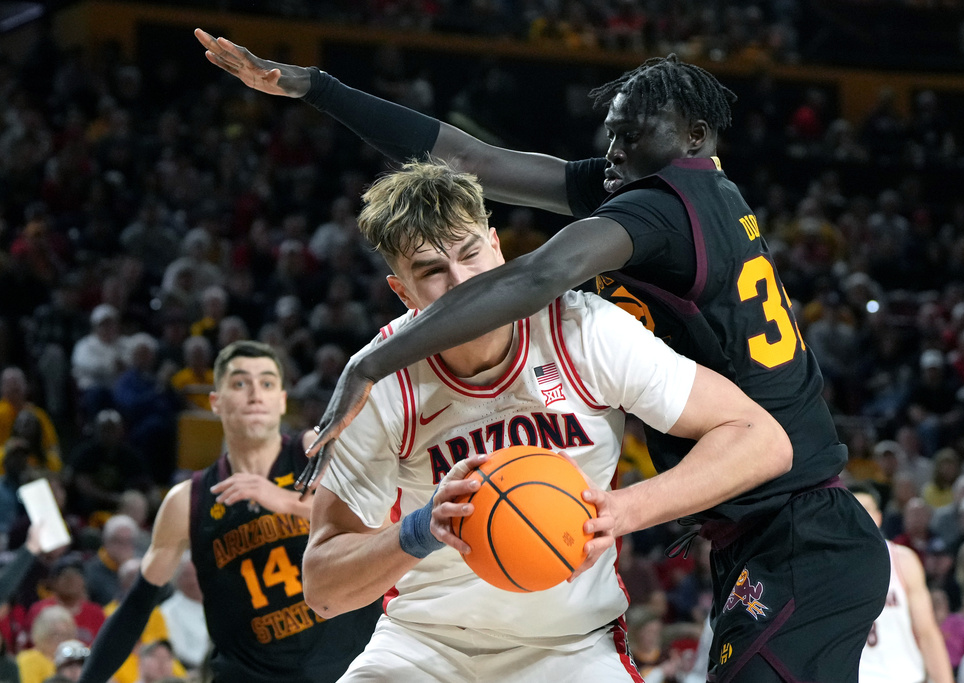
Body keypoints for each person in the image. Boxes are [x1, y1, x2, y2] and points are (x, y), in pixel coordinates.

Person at [196, 30, 889, 682]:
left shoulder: (658, 215)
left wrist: (368, 362)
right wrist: (315, 87)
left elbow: (535, 279)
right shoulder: (655, 189)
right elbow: (474, 161)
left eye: (629, 135)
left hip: (797, 520)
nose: (611, 151)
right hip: (750, 526)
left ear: (694, 138)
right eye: (610, 135)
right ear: (400, 287)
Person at [301, 159, 792, 680]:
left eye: (470, 255)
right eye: (431, 271)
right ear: (402, 292)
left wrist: (624, 509)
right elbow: (324, 591)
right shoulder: (377, 384)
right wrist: (420, 529)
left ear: (497, 245)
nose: (463, 282)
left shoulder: (583, 329)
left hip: (572, 647)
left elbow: (761, 439)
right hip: (426, 646)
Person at [79, 340, 380, 683]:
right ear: (215, 402)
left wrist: (282, 500)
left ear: (282, 400)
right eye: (240, 383)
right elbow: (136, 607)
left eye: (267, 383)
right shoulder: (187, 500)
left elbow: (380, 524)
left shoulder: (319, 452)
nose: (255, 394)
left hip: (347, 669)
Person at [851, 482, 954, 683]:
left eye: (866, 510)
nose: (860, 516)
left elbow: (927, 632)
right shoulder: (826, 567)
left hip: (905, 676)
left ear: (879, 517)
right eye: (853, 509)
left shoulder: (902, 559)